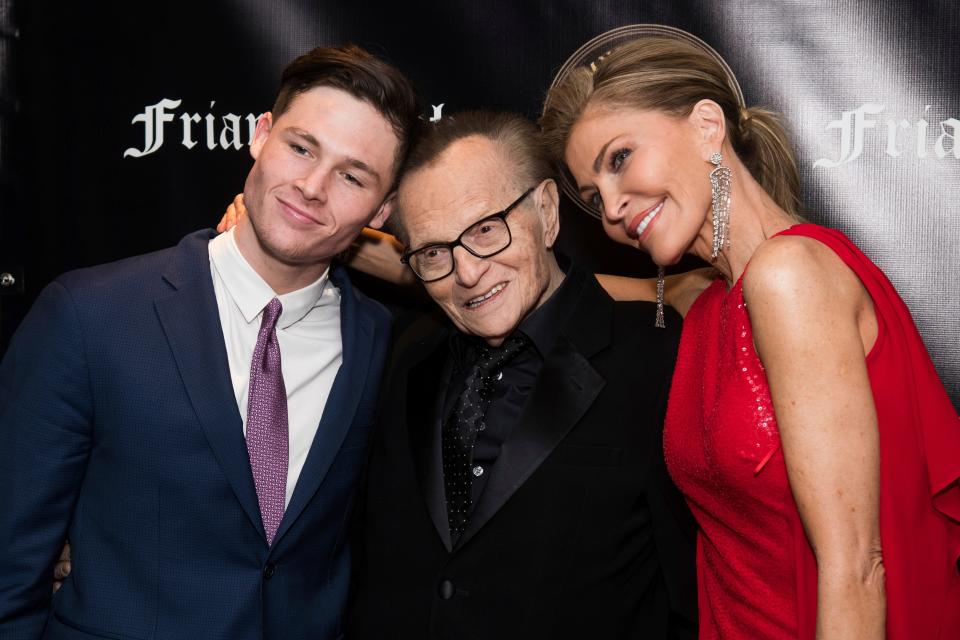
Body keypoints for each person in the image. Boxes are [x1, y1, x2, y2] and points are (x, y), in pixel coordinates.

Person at [540, 31, 960, 639]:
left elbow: (856, 568)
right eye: (593, 194)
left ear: (708, 126)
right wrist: (391, 247)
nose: (610, 209)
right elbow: (542, 287)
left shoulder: (791, 277)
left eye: (620, 157)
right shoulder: (704, 298)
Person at [0, 44, 417, 639]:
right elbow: (11, 564)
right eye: (301, 148)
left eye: (353, 176)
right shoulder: (89, 315)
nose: (312, 187)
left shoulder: (381, 344)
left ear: (383, 207)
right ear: (261, 135)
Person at [347, 111, 698, 639]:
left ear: (548, 212)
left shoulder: (656, 359)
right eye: (435, 253)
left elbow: (692, 592)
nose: (467, 272)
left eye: (487, 229)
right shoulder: (407, 357)